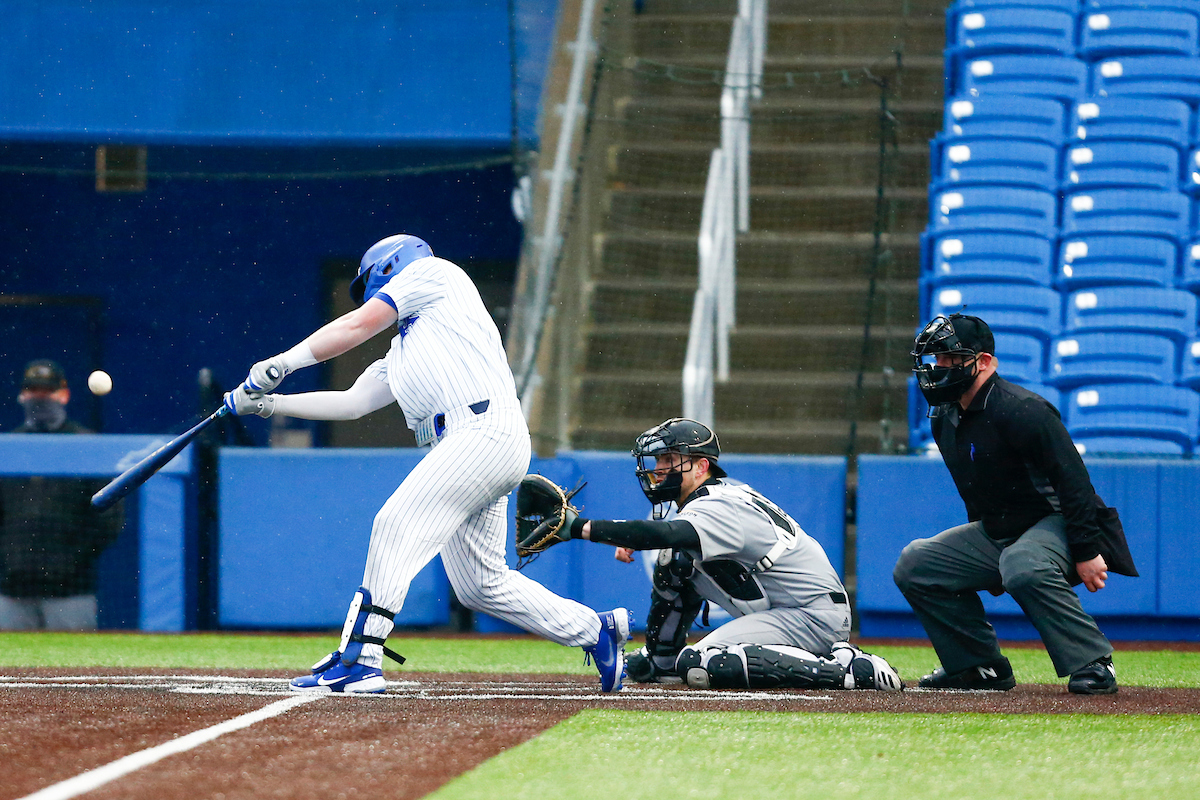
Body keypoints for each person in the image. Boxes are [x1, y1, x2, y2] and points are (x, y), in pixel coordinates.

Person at [223, 234, 630, 693]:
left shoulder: (435, 274)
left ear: (390, 266)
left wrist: (282, 363)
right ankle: (595, 630)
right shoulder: (404, 351)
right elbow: (352, 402)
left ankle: (361, 656)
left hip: (482, 431)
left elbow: (358, 324)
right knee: (480, 584)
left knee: (394, 524)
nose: (371, 294)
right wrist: (269, 405)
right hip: (467, 445)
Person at [548, 416, 903, 692]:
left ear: (701, 466)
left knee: (701, 664)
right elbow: (673, 538)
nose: (658, 468)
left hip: (811, 613)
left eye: (670, 459)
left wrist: (580, 528)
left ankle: (848, 669)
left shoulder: (718, 504)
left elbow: (668, 532)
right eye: (658, 459)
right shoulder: (712, 499)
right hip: (783, 604)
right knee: (675, 558)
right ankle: (661, 659)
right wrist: (642, 539)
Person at [894, 313, 1120, 694]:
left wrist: (1086, 549)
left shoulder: (1023, 409)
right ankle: (978, 665)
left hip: (1057, 521)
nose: (940, 367)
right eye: (937, 359)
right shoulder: (944, 417)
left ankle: (1094, 662)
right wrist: (983, 560)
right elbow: (976, 489)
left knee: (1020, 563)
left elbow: (1075, 483)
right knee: (916, 563)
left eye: (952, 358)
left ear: (984, 361)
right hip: (1001, 529)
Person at [0, 360, 124, 630]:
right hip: (11, 590)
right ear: (22, 395)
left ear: (63, 395)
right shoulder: (8, 446)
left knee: (75, 656)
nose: (40, 398)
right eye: (33, 390)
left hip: (71, 591)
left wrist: (70, 559)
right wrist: (10, 560)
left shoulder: (87, 445)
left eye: (47, 391)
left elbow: (109, 518)